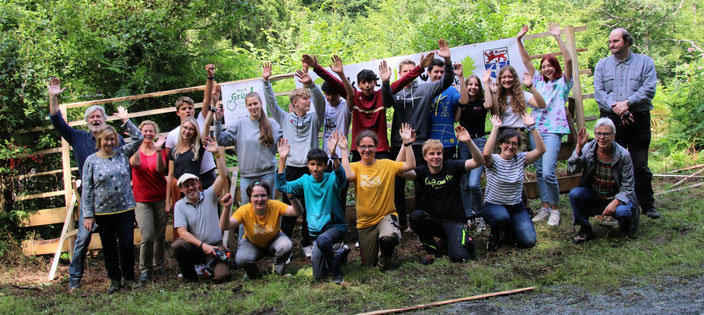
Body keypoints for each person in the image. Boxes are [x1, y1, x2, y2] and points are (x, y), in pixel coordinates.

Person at [48, 77, 126, 292]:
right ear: (87, 121)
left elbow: (129, 159)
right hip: (90, 201)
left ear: (104, 119)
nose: (95, 119)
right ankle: (74, 280)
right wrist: (53, 97)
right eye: (91, 117)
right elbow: (57, 120)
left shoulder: (115, 138)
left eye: (98, 116)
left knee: (117, 241)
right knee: (82, 239)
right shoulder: (78, 138)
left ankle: (120, 278)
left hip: (115, 202)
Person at [383, 39, 454, 229]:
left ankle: (422, 221)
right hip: (398, 144)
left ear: (418, 72)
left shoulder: (426, 88)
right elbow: (387, 101)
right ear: (400, 74)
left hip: (420, 143)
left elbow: (446, 81)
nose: (408, 75)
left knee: (422, 185)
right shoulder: (394, 91)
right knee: (397, 186)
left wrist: (447, 61)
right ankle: (400, 222)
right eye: (404, 72)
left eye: (411, 71)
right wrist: (385, 82)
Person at [594, 28, 659, 219]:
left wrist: (628, 104)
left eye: (615, 41)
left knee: (639, 164)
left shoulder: (645, 62)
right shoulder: (602, 65)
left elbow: (649, 89)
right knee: (614, 163)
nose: (611, 45)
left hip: (638, 118)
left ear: (627, 42)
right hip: (612, 121)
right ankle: (616, 204)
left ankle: (647, 204)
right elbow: (599, 93)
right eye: (610, 42)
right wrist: (619, 109)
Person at [262, 61, 325, 258]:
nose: (309, 102)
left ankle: (308, 243)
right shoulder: (284, 118)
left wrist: (311, 85)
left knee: (310, 209)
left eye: (309, 99)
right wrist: (266, 81)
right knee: (289, 209)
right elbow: (271, 104)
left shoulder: (315, 118)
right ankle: (286, 246)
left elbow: (321, 102)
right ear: (295, 102)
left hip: (310, 170)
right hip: (290, 169)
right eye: (305, 99)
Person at [399, 126, 485, 265]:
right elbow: (399, 170)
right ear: (425, 156)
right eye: (432, 154)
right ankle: (433, 250)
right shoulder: (421, 171)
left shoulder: (453, 166)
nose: (436, 157)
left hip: (455, 221)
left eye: (439, 153)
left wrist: (468, 141)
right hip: (435, 221)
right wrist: (406, 143)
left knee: (460, 257)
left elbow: (479, 161)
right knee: (416, 217)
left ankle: (457, 239)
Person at [516, 23, 574, 226]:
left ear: (555, 67)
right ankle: (545, 207)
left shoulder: (563, 83)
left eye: (550, 65)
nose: (546, 68)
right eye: (543, 66)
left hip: (553, 131)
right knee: (540, 171)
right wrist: (518, 40)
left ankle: (556, 209)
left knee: (549, 171)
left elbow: (568, 60)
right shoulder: (538, 82)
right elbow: (525, 60)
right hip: (535, 130)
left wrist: (558, 37)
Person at [81, 106, 142, 294]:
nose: (108, 142)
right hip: (103, 212)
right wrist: (88, 215)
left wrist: (126, 120)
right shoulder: (91, 161)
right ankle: (114, 279)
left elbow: (139, 138)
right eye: (105, 139)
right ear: (99, 141)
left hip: (124, 210)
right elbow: (87, 189)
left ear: (115, 140)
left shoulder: (122, 154)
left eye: (111, 139)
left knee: (126, 245)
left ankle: (129, 277)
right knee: (108, 248)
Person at [340, 124, 416, 271]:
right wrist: (343, 150)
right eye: (363, 146)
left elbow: (410, 164)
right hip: (365, 223)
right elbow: (347, 176)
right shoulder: (355, 167)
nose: (367, 149)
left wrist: (407, 143)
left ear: (376, 147)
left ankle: (386, 258)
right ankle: (376, 253)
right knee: (368, 265)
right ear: (357, 148)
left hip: (385, 217)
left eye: (370, 146)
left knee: (389, 237)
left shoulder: (386, 164)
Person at [276, 133, 350, 284]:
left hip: (335, 226)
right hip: (317, 233)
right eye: (312, 164)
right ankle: (340, 254)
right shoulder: (305, 180)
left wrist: (334, 154)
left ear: (324, 166)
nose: (315, 168)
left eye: (319, 165)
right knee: (318, 275)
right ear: (308, 165)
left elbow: (342, 178)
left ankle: (336, 271)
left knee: (323, 241)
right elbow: (282, 186)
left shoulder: (332, 179)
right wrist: (282, 159)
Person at [332, 51, 428, 161]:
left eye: (370, 82)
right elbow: (335, 83)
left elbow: (403, 81)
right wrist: (317, 68)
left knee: (386, 178)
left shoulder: (381, 95)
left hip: (381, 150)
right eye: (364, 82)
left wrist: (420, 68)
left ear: (375, 83)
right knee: (356, 178)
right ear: (358, 85)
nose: (367, 85)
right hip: (359, 149)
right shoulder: (354, 96)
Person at [567, 118, 639, 243]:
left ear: (613, 136)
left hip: (616, 197)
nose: (602, 137)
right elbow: (572, 169)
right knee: (575, 194)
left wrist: (616, 201)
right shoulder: (588, 149)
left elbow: (628, 186)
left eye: (606, 134)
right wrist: (578, 147)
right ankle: (585, 228)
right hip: (595, 195)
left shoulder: (623, 155)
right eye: (598, 134)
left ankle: (625, 226)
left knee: (623, 212)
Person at [171, 137, 231, 283]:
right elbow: (182, 232)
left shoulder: (210, 195)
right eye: (186, 186)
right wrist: (203, 246)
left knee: (222, 276)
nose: (191, 188)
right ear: (181, 189)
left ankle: (210, 267)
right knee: (178, 245)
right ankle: (190, 277)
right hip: (196, 248)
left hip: (214, 246)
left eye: (193, 184)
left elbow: (223, 176)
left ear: (198, 184)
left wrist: (217, 154)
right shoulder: (180, 205)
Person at [482, 114, 545, 251]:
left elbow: (541, 150)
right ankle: (494, 235)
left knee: (528, 241)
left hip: (516, 207)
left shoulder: (521, 159)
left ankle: (509, 229)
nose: (510, 146)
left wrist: (532, 127)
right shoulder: (494, 160)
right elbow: (486, 154)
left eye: (514, 144)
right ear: (501, 144)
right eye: (507, 143)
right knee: (500, 217)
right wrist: (495, 128)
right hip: (494, 206)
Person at [219, 181, 302, 279]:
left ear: (268, 196)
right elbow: (225, 226)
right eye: (255, 196)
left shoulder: (275, 205)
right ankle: (253, 274)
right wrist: (227, 207)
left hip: (273, 241)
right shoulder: (244, 210)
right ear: (250, 198)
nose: (260, 199)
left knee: (286, 245)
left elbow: (297, 212)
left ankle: (278, 269)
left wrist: (292, 197)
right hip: (252, 243)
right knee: (241, 259)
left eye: (263, 195)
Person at [164, 65, 217, 212]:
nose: (188, 110)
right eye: (184, 108)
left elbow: (207, 99)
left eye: (190, 108)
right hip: (186, 181)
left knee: (212, 209)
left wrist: (210, 77)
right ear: (178, 112)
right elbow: (169, 165)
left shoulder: (201, 120)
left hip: (206, 174)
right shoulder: (173, 135)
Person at [129, 120, 168, 284]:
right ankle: (145, 269)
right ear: (140, 132)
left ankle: (158, 264)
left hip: (160, 197)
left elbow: (161, 169)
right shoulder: (134, 151)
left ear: (155, 133)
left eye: (151, 131)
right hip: (141, 200)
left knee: (160, 235)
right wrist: (136, 144)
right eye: (145, 131)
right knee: (147, 235)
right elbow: (134, 164)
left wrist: (158, 150)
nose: (148, 134)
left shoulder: (160, 150)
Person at [458, 71, 494, 226]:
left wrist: (486, 82)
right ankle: (468, 216)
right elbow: (455, 118)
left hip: (479, 142)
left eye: (475, 85)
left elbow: (490, 105)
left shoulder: (481, 103)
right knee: (465, 184)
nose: (472, 87)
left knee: (474, 183)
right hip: (463, 145)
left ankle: (478, 214)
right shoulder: (462, 104)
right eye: (470, 84)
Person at [166, 117, 214, 213]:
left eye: (191, 129)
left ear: (195, 132)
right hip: (179, 190)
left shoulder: (198, 147)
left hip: (193, 189)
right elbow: (170, 177)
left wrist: (212, 109)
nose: (187, 131)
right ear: (181, 128)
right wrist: (168, 201)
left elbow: (206, 125)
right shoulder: (173, 151)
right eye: (185, 128)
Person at [493, 65, 547, 152]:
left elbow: (541, 104)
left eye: (510, 77)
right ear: (500, 80)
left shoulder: (523, 95)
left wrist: (530, 86)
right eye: (504, 77)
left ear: (515, 79)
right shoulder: (496, 96)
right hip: (501, 133)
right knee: (500, 164)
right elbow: (491, 110)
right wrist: (493, 92)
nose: (507, 80)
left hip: (518, 133)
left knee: (518, 163)